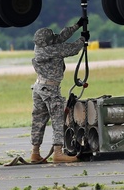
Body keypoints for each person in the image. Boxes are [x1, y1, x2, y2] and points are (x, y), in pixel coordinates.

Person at [29, 16, 89, 163]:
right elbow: (72, 49)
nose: (55, 38)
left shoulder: (40, 47)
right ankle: (58, 153)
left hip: (39, 87)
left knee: (39, 120)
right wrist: (83, 40)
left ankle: (35, 153)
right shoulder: (51, 51)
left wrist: (77, 25)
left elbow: (60, 38)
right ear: (47, 42)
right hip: (50, 89)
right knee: (57, 119)